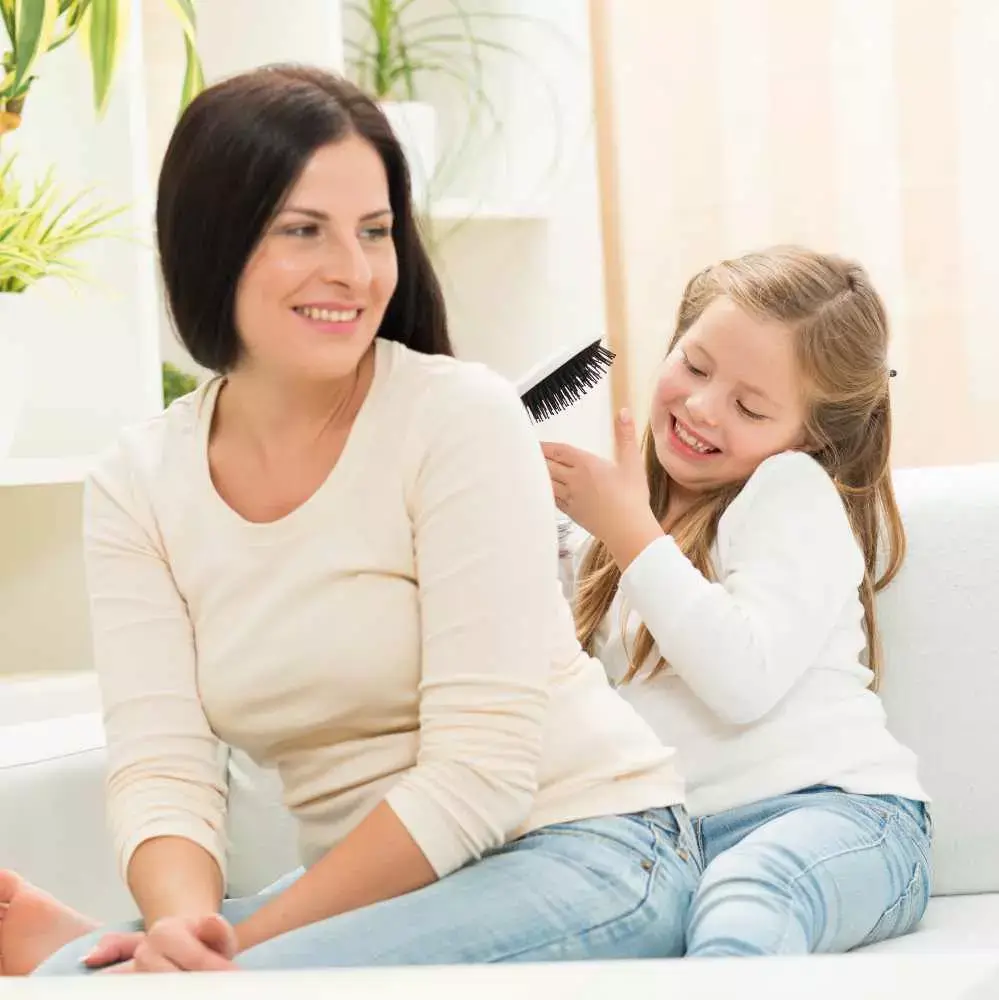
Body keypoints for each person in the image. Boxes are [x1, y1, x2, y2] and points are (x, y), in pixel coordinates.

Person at [0, 65, 700, 977]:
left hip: (594, 850)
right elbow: (162, 768)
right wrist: (183, 929)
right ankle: (90, 954)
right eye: (303, 231)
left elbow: (480, 776)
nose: (355, 270)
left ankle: (78, 954)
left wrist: (238, 949)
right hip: (387, 894)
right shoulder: (139, 481)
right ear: (211, 242)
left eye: (375, 232)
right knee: (153, 977)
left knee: (181, 986)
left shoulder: (458, 418)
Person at [543, 246, 932, 957]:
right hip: (682, 838)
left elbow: (741, 680)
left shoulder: (789, 492)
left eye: (750, 406)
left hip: (840, 819)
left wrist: (628, 531)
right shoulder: (615, 538)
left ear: (808, 436)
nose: (700, 407)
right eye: (693, 366)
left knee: (750, 897)